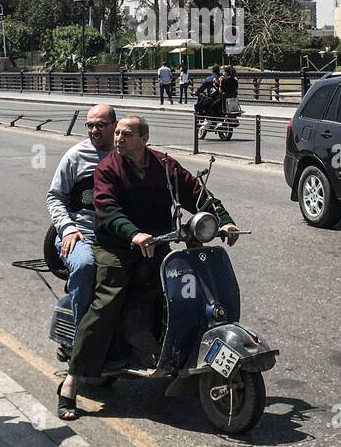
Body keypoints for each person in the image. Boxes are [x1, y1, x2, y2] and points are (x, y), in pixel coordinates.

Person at [57, 115, 238, 420]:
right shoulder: (108, 169)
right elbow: (107, 210)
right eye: (117, 134)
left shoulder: (164, 166)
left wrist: (224, 220)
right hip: (116, 249)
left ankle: (169, 349)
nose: (118, 139)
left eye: (126, 134)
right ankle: (71, 383)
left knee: (185, 288)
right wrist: (133, 233)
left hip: (157, 245)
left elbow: (195, 193)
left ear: (144, 137)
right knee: (108, 300)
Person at [45, 104, 117, 361]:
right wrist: (67, 228)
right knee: (86, 266)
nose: (94, 130)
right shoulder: (75, 156)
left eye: (101, 125)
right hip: (80, 235)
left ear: (114, 126)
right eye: (90, 125)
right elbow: (54, 197)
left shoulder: (125, 154)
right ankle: (82, 345)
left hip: (117, 237)